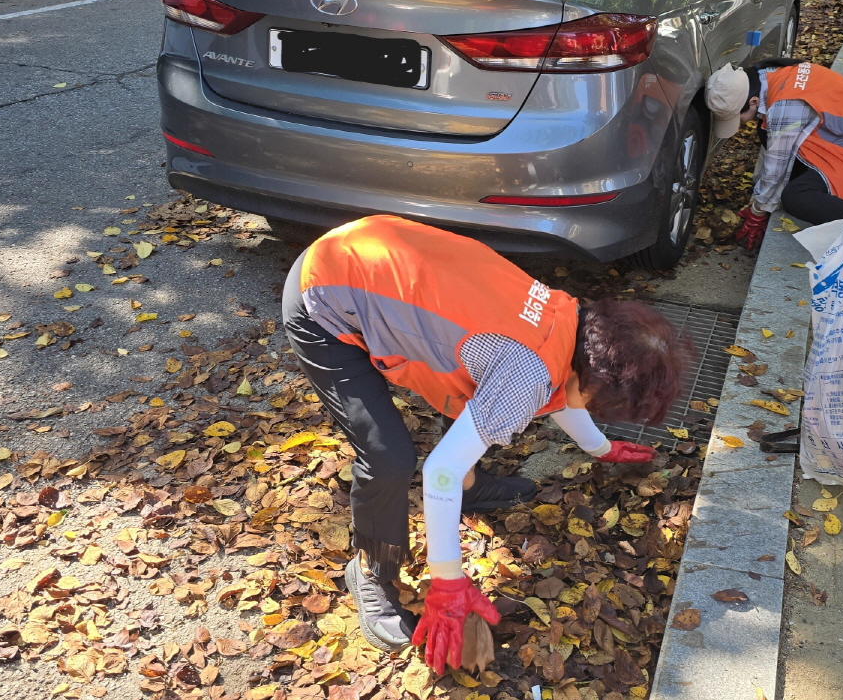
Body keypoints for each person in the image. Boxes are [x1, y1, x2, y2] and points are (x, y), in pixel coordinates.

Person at [282, 214, 691, 671]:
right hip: (323, 296)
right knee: (388, 455)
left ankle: (471, 491)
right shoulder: (529, 373)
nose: (598, 412)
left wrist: (603, 449)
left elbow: (564, 393)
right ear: (593, 374)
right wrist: (448, 582)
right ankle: (372, 568)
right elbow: (440, 471)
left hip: (371, 257)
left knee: (484, 406)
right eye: (604, 406)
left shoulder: (570, 319)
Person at [703, 59, 843, 250]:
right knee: (765, 130)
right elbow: (774, 147)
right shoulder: (774, 75)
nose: (741, 123)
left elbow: (775, 167)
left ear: (753, 100)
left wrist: (758, 210)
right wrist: (760, 197)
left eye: (739, 117)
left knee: (796, 197)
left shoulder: (786, 103)